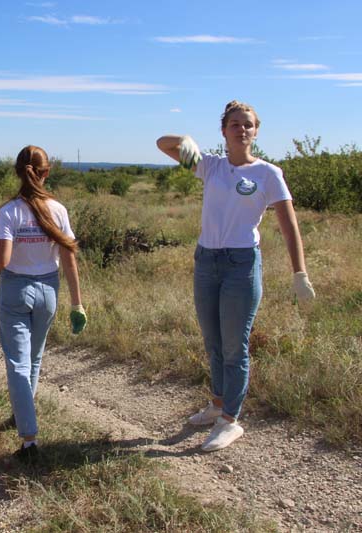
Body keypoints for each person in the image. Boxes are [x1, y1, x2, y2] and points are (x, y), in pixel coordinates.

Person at [156, 100, 316, 452]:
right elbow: (161, 143)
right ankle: (216, 404)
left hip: (241, 265)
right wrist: (183, 138)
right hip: (206, 260)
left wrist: (299, 272)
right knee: (212, 340)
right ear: (224, 130)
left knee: (234, 346)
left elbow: (289, 227)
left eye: (247, 125)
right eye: (234, 124)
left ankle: (231, 420)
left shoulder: (267, 174)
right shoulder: (209, 167)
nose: (241, 129)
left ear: (256, 131)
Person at [0, 145, 86, 462]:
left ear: (16, 172)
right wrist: (76, 303)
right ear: (46, 172)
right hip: (49, 292)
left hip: (15, 291)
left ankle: (29, 441)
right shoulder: (59, 210)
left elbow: (1, 260)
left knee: (17, 365)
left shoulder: (9, 211)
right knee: (33, 360)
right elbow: (69, 260)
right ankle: (22, 415)